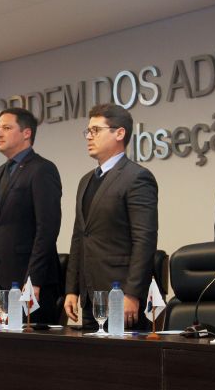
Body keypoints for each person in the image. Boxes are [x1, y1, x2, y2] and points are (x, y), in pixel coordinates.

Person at [64, 103, 159, 330]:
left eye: (96, 130)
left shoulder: (137, 177)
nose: (89, 136)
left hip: (121, 296)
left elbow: (144, 240)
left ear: (119, 133)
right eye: (88, 131)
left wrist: (132, 293)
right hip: (89, 297)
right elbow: (79, 238)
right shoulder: (86, 181)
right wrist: (71, 289)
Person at [0, 107, 62, 323]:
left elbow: (47, 229)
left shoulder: (42, 169)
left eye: (7, 128)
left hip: (33, 283)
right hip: (3, 281)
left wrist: (33, 280)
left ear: (26, 133)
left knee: (32, 343)